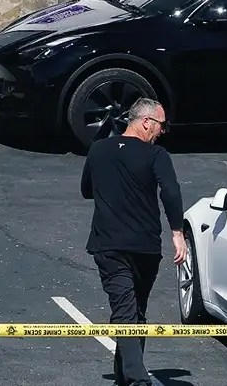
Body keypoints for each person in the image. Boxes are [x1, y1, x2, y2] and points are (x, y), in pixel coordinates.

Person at [80, 97, 186, 386]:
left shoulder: (98, 149)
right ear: (146, 122)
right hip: (145, 247)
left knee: (130, 311)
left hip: (108, 244)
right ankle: (138, 379)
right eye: (161, 126)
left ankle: (124, 376)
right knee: (131, 310)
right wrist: (177, 232)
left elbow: (86, 189)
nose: (162, 132)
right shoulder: (156, 155)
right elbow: (171, 192)